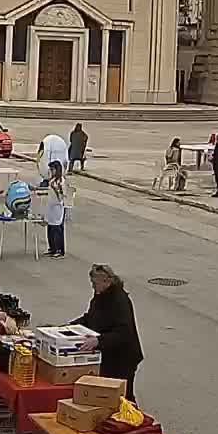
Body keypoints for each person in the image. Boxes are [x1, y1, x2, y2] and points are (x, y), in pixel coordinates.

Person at [71, 264, 143, 401]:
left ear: (107, 281)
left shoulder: (120, 301)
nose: (92, 286)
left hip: (123, 358)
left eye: (94, 283)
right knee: (107, 394)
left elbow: (124, 332)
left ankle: (132, 418)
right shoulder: (100, 295)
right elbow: (91, 317)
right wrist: (70, 326)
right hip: (108, 354)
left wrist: (98, 341)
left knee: (123, 396)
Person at [43, 160, 71, 258]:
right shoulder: (52, 180)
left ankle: (59, 249)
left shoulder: (61, 181)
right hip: (51, 207)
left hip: (57, 208)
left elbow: (62, 196)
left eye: (52, 169)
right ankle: (52, 248)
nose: (51, 171)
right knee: (50, 229)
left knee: (57, 229)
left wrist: (56, 189)